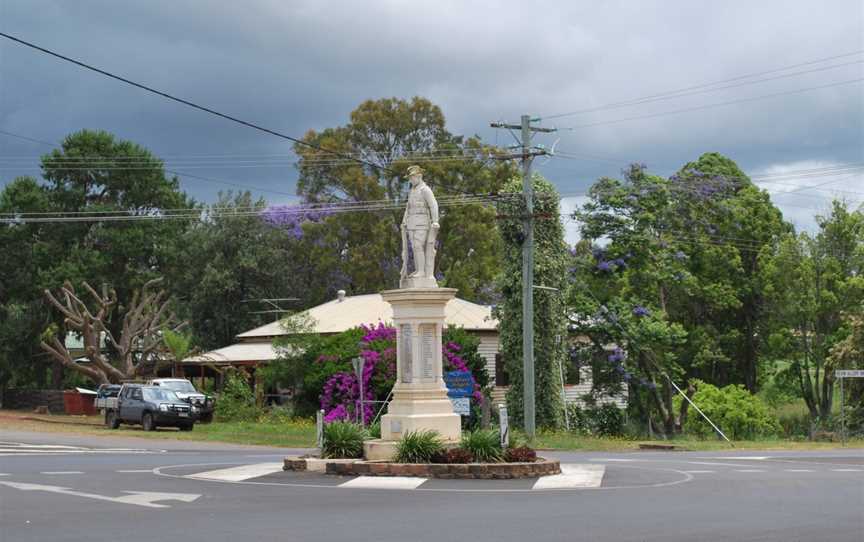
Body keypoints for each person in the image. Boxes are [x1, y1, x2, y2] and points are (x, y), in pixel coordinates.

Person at [400, 165, 439, 287]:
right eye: (410, 178)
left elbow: (433, 205)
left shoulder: (425, 190)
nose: (410, 181)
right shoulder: (412, 190)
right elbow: (408, 207)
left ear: (419, 176)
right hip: (412, 222)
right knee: (414, 247)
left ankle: (422, 271)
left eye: (412, 178)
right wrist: (404, 220)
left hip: (422, 222)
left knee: (418, 246)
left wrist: (435, 220)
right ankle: (418, 270)